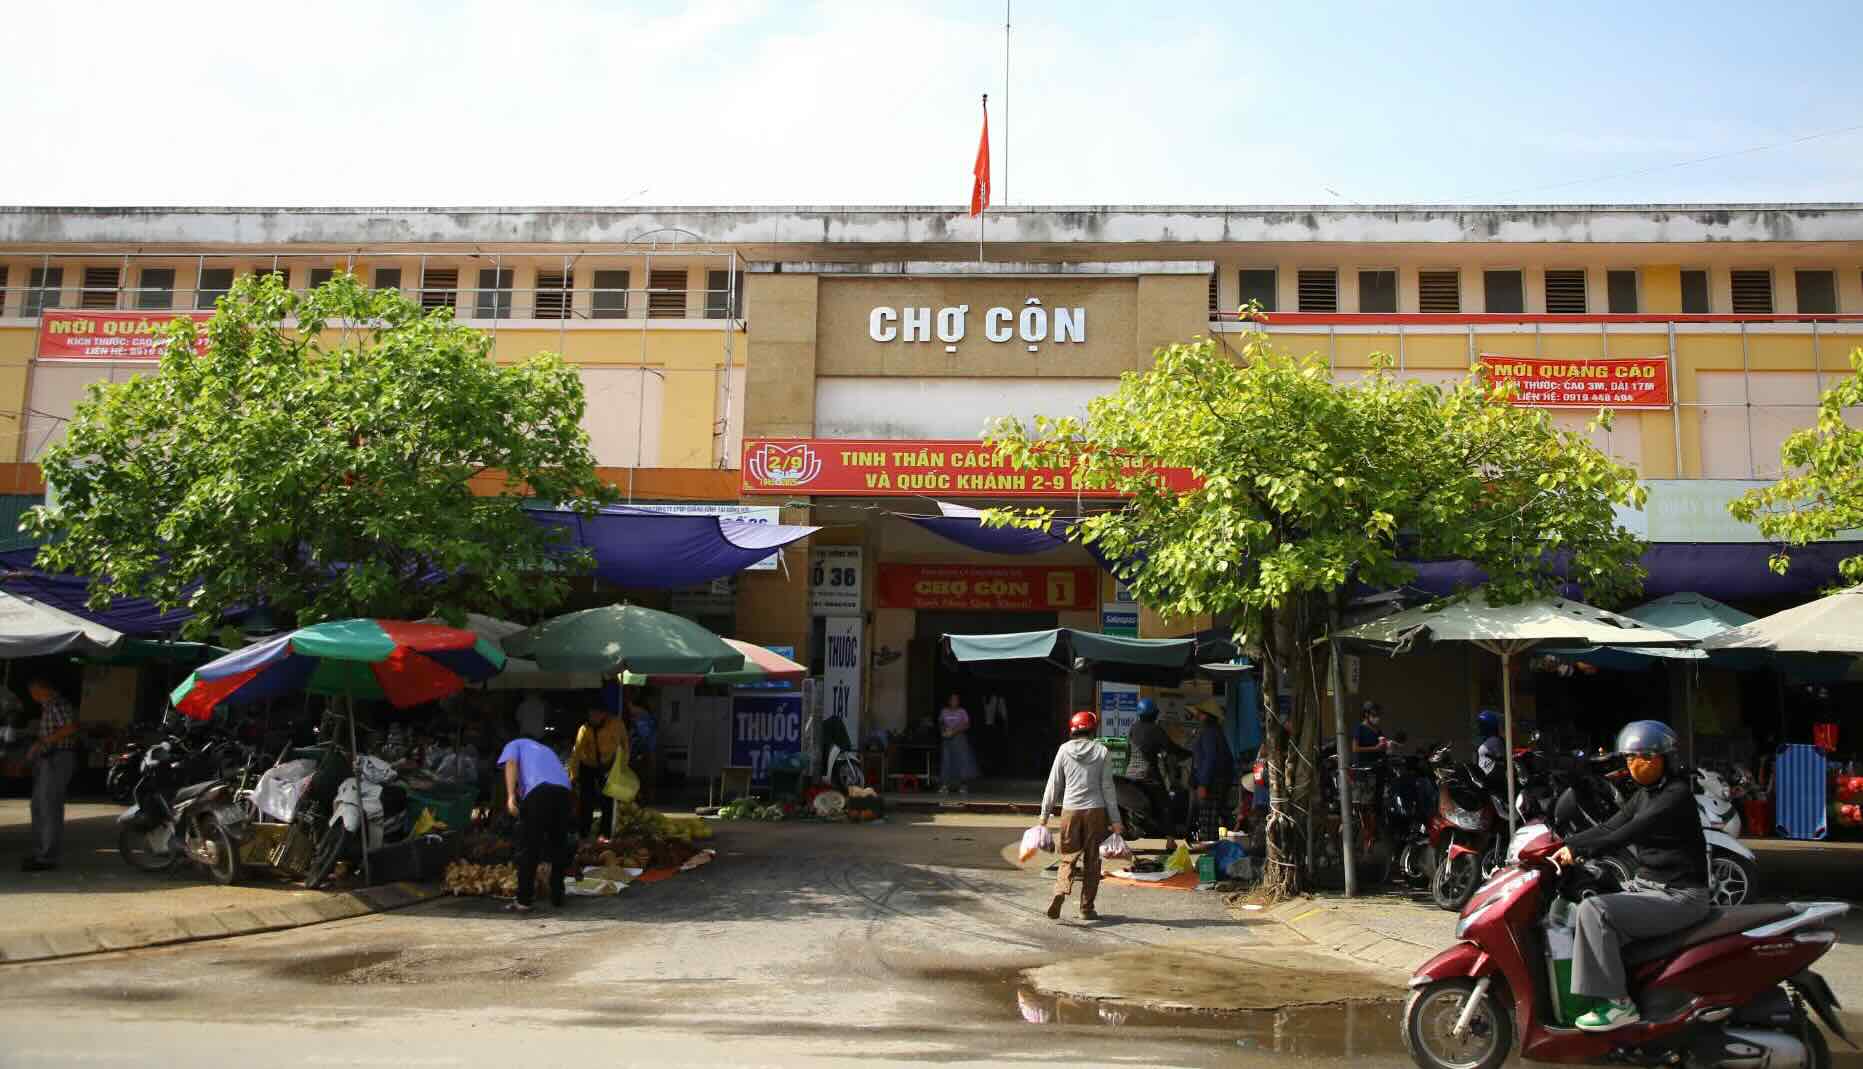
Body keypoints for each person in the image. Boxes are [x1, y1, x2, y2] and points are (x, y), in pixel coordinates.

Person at [1552, 720, 1709, 1032]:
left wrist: (1580, 851)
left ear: (1665, 759)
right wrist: (1562, 844)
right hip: (1649, 886)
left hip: (1680, 895)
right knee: (1585, 897)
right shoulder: (1646, 794)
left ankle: (1617, 1005)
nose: (1635, 764)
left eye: (1644, 757)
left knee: (1595, 911)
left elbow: (1625, 833)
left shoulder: (1675, 796)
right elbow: (1610, 825)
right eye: (1629, 758)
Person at [1039, 710, 1123, 921]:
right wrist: (1115, 820)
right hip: (1096, 811)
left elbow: (1053, 785)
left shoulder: (1063, 750)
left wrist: (1044, 817)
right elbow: (1108, 788)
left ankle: (1060, 891)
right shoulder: (1102, 751)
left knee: (1068, 858)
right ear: (1093, 729)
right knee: (1092, 861)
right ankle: (1086, 908)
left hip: (1070, 811)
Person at [498, 731, 574, 914]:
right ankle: (557, 895)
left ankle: (524, 900)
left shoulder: (515, 743)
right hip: (564, 793)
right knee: (559, 844)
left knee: (528, 847)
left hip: (539, 791)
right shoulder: (546, 750)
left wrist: (509, 797)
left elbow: (511, 763)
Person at [23, 679, 79, 872]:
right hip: (49, 759)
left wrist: (43, 742)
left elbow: (70, 727)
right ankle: (41, 851)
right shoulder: (49, 706)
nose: (32, 696)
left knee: (48, 807)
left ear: (40, 689)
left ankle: (47, 856)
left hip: (57, 758)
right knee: (39, 806)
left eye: (33, 691)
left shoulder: (57, 704)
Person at [1123, 698, 1189, 840]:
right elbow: (1171, 748)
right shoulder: (1156, 729)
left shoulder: (1133, 728)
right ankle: (1170, 840)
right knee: (1165, 804)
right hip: (1148, 775)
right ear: (1154, 714)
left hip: (1130, 775)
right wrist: (1188, 753)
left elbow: (1128, 752)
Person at [570, 705, 625, 838]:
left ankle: (604, 833)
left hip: (607, 763)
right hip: (588, 764)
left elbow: (624, 744)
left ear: (603, 714)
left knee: (608, 799)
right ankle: (584, 832)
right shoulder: (584, 729)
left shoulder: (615, 724)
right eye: (590, 715)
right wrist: (573, 775)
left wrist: (622, 767)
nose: (592, 718)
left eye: (595, 714)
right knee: (586, 799)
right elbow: (576, 753)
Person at [1189, 699, 1235, 842]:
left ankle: (1208, 855)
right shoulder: (1215, 732)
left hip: (1212, 782)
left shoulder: (1209, 732)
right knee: (1213, 819)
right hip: (1217, 780)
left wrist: (1203, 783)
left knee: (1208, 822)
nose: (1197, 715)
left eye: (1199, 713)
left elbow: (1210, 759)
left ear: (1205, 715)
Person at [937, 692, 979, 795]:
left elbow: (967, 724)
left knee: (962, 761)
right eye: (952, 699)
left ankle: (963, 785)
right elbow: (940, 722)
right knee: (947, 761)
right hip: (947, 739)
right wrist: (944, 730)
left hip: (959, 739)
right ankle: (945, 785)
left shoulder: (962, 711)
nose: (954, 701)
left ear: (958, 701)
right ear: (949, 701)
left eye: (956, 699)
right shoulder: (944, 711)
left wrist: (955, 731)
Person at [624, 691, 657, 805]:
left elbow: (644, 739)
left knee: (640, 780)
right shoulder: (645, 719)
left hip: (640, 755)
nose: (629, 709)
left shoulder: (642, 720)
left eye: (631, 706)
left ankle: (640, 802)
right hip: (641, 754)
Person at [1474, 708, 1505, 782]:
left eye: (1482, 725)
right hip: (1483, 776)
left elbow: (1501, 760)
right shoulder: (1485, 740)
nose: (1479, 728)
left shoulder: (1495, 740)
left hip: (1490, 777)